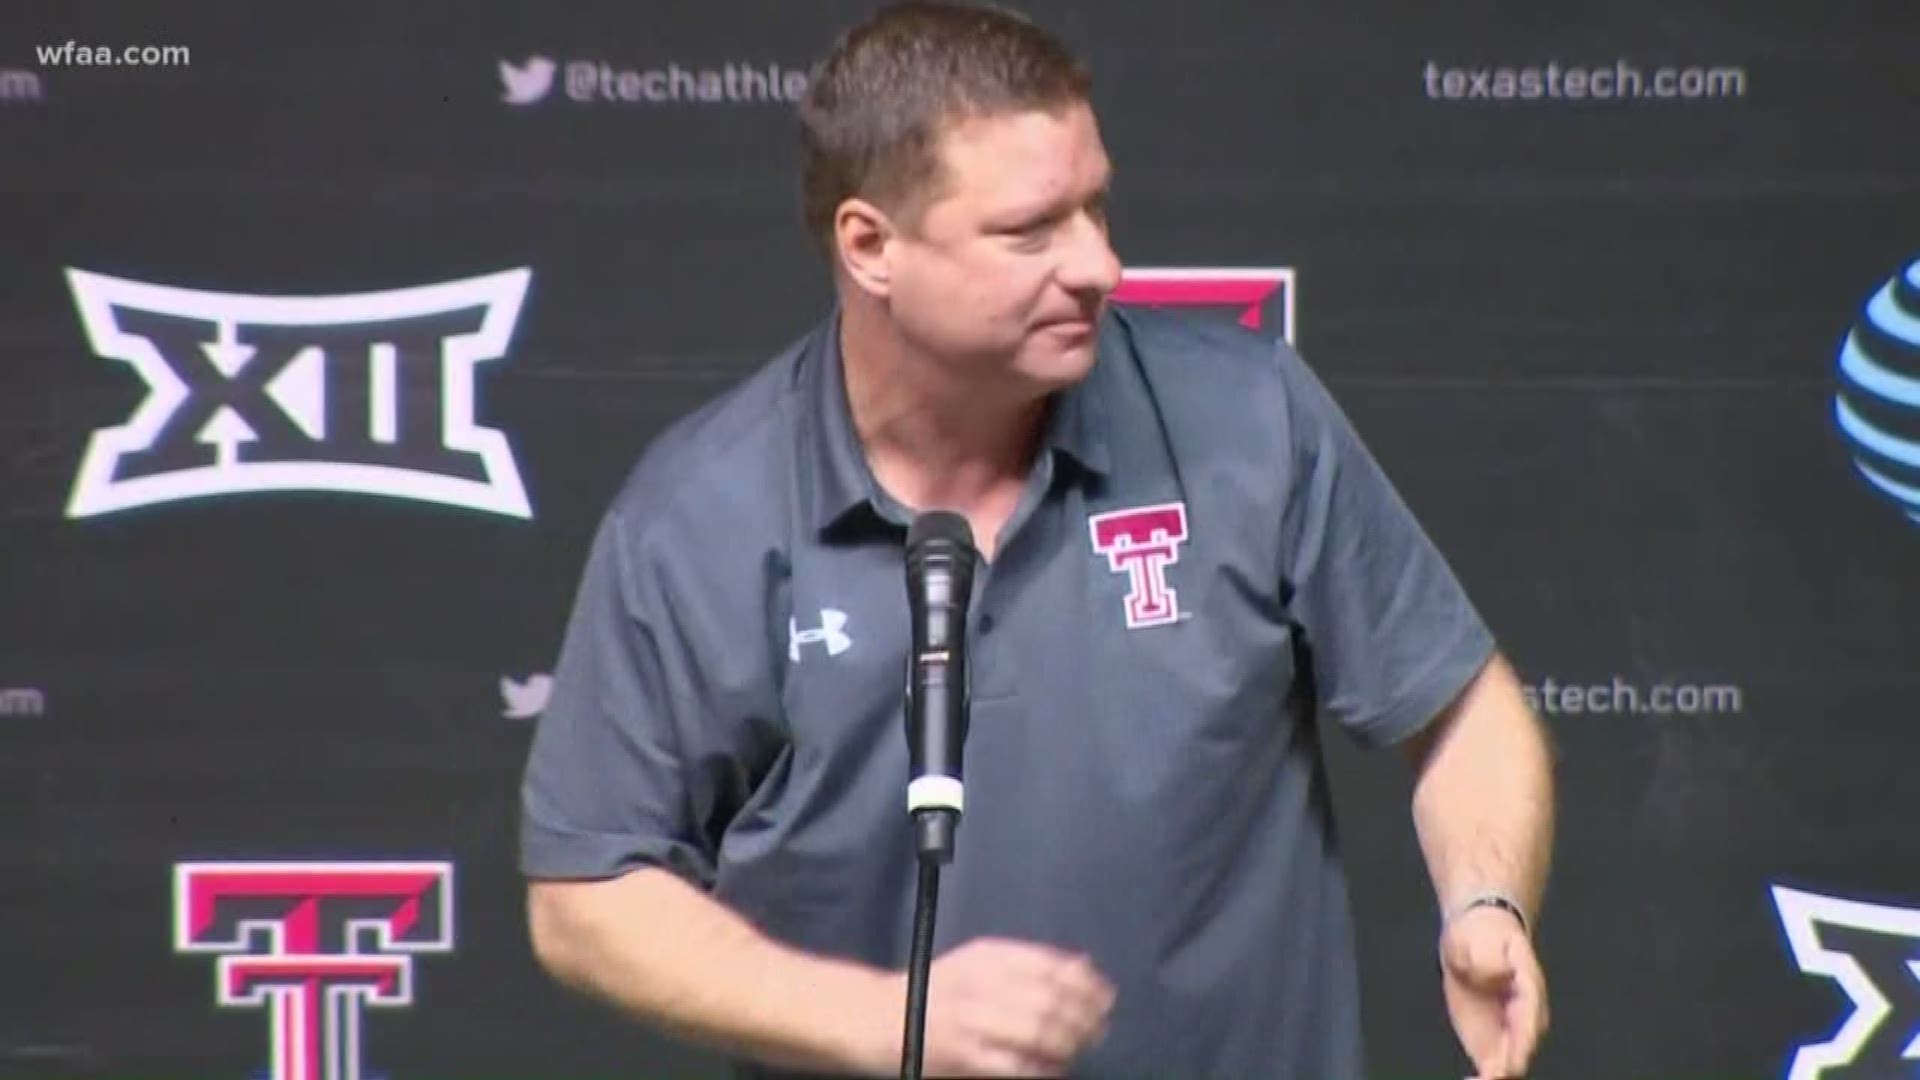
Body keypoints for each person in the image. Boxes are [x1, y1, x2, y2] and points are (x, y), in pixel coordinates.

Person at [518, 2, 1556, 1077]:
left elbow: (1464, 707)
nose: (1099, 264)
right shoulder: (700, 517)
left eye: (1098, 208)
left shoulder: (1250, 421)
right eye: (1032, 231)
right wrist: (889, 1020)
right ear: (870, 245)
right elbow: (585, 895)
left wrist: (1483, 899)